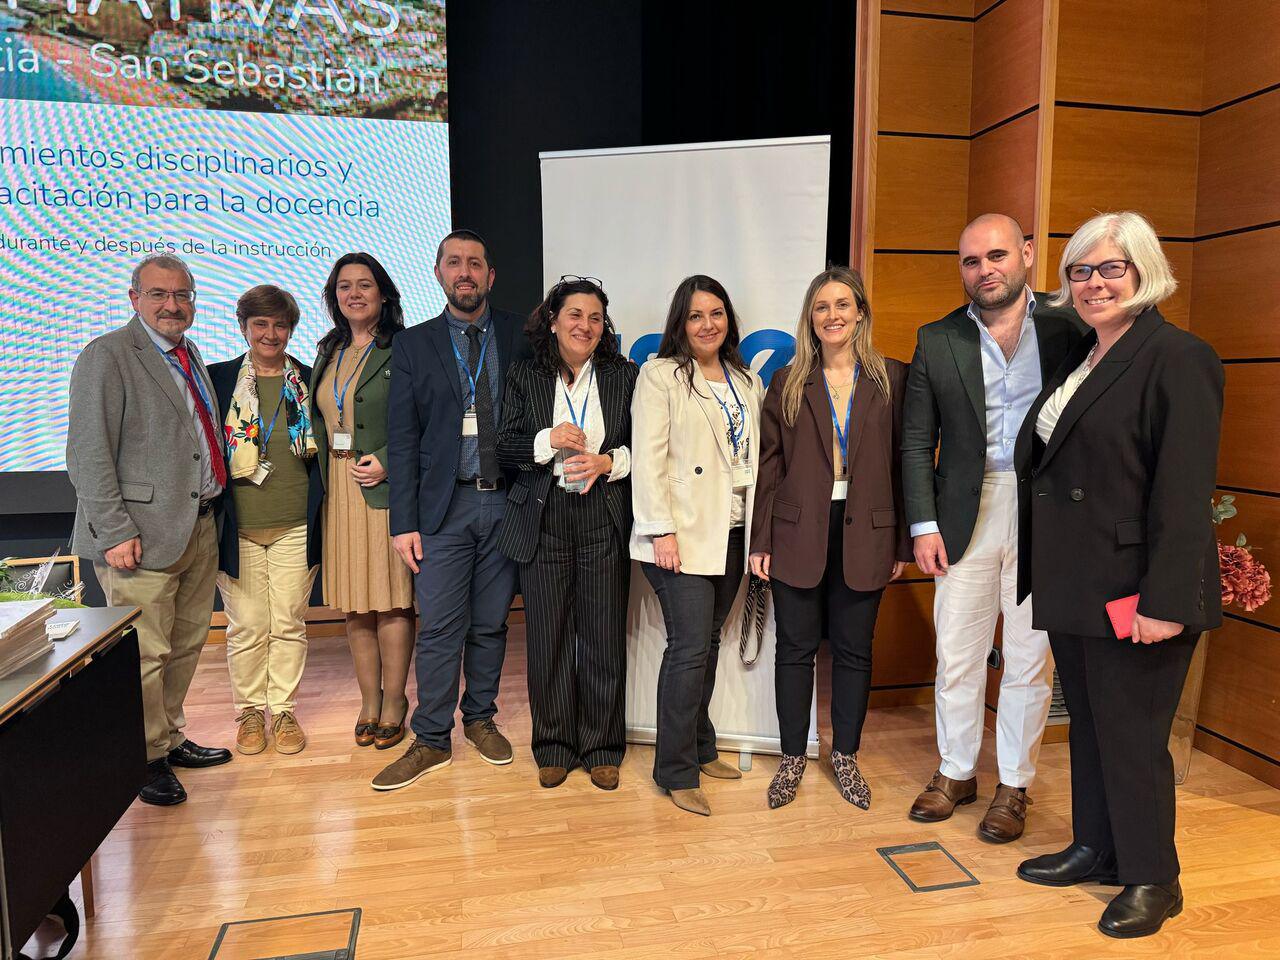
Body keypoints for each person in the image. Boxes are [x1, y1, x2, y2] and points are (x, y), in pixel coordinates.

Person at [1013, 211, 1223, 938]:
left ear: (1144, 271)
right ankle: (1097, 848)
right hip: (1077, 581)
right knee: (1093, 728)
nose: (1094, 283)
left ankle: (1154, 877)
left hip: (1138, 588)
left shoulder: (1179, 358)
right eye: (1081, 271)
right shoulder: (1084, 353)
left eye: (1111, 268)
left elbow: (1183, 492)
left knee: (1133, 737)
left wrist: (1165, 601)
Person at [901, 213, 1084, 842]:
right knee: (957, 652)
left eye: (997, 255)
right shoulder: (937, 338)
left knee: (1031, 657)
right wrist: (923, 525)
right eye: (972, 261)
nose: (985, 270)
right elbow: (917, 441)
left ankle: (1013, 784)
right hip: (964, 514)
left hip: (1045, 512)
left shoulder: (1071, 326)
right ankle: (955, 771)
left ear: (1028, 254)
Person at [67, 253, 231, 806]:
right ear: (134, 298)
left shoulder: (189, 353)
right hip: (137, 535)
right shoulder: (108, 355)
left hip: (196, 526)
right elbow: (88, 453)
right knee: (143, 655)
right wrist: (114, 530)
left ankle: (169, 737)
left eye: (182, 295)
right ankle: (143, 757)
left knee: (184, 645)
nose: (172, 305)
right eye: (159, 294)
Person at [376, 229, 533, 792]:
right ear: (439, 273)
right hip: (445, 507)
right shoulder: (414, 345)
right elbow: (402, 438)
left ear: (490, 275)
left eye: (474, 263)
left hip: (507, 501)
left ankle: (481, 718)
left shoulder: (520, 334)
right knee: (441, 627)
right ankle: (432, 738)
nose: (464, 272)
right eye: (454, 263)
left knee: (491, 623)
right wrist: (404, 522)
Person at [749, 266, 911, 809]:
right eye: (822, 306)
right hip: (797, 531)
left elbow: (904, 462)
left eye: (843, 304)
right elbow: (769, 466)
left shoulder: (891, 378)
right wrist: (760, 540)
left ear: (860, 313)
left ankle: (845, 755)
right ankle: (793, 756)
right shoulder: (789, 381)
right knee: (794, 650)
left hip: (868, 532)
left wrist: (902, 542)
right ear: (810, 318)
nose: (833, 315)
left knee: (854, 650)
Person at [496, 277, 638, 790]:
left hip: (602, 514)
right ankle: (554, 745)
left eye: (596, 318)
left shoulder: (625, 375)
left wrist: (609, 462)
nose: (585, 325)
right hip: (544, 514)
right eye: (575, 315)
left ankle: (602, 747)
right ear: (553, 321)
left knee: (603, 636)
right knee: (548, 635)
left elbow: (647, 446)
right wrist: (547, 439)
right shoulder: (525, 374)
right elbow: (503, 446)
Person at [630, 275, 764, 817]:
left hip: (733, 530)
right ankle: (676, 770)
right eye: (695, 315)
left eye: (716, 313)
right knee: (688, 648)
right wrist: (659, 530)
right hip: (682, 534)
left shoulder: (747, 380)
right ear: (680, 324)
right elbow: (648, 458)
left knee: (706, 643)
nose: (707, 324)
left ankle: (703, 746)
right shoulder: (660, 375)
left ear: (728, 318)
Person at [209, 285, 323, 756]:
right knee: (248, 626)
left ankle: (284, 710)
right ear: (244, 327)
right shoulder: (217, 380)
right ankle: (251, 712)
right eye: (261, 324)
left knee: (289, 622)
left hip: (296, 522)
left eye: (280, 325)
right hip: (238, 527)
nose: (270, 334)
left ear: (291, 329)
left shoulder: (312, 380)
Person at [310, 253, 414, 751]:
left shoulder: (404, 347)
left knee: (390, 600)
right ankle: (368, 701)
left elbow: (425, 417)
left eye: (364, 285)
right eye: (344, 286)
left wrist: (389, 461)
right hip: (338, 489)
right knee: (355, 604)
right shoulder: (328, 349)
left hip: (383, 490)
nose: (354, 294)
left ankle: (395, 701)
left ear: (384, 293)